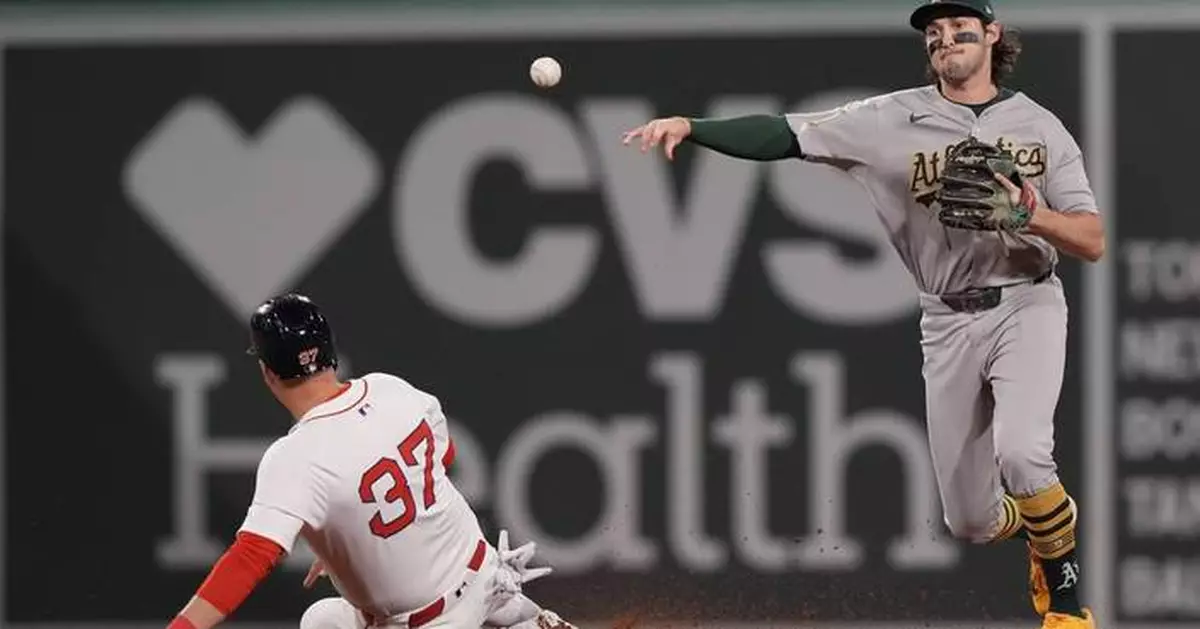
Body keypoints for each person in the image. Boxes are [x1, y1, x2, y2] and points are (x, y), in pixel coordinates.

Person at [620, 1, 1103, 627]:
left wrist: (1031, 215)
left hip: (1026, 301)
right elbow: (786, 134)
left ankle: (1066, 606)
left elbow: (1091, 239)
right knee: (971, 522)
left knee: (1025, 453)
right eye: (934, 32)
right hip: (947, 318)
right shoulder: (887, 119)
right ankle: (1046, 520)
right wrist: (693, 126)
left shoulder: (1040, 126)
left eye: (960, 27)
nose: (945, 38)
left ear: (992, 34)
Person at [163, 293, 576, 629]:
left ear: (268, 372)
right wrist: (360, 526)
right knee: (323, 621)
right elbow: (441, 457)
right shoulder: (391, 389)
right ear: (330, 352)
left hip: (433, 620)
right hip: (485, 576)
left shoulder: (294, 458)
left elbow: (250, 557)